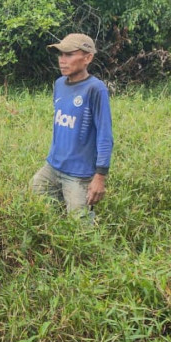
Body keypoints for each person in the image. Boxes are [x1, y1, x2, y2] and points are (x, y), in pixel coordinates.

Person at [30, 33, 114, 218]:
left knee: (80, 226)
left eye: (69, 54)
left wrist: (100, 177)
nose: (62, 60)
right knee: (39, 203)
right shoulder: (59, 84)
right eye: (60, 54)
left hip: (78, 175)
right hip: (53, 167)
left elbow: (105, 135)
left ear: (87, 58)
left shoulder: (95, 89)